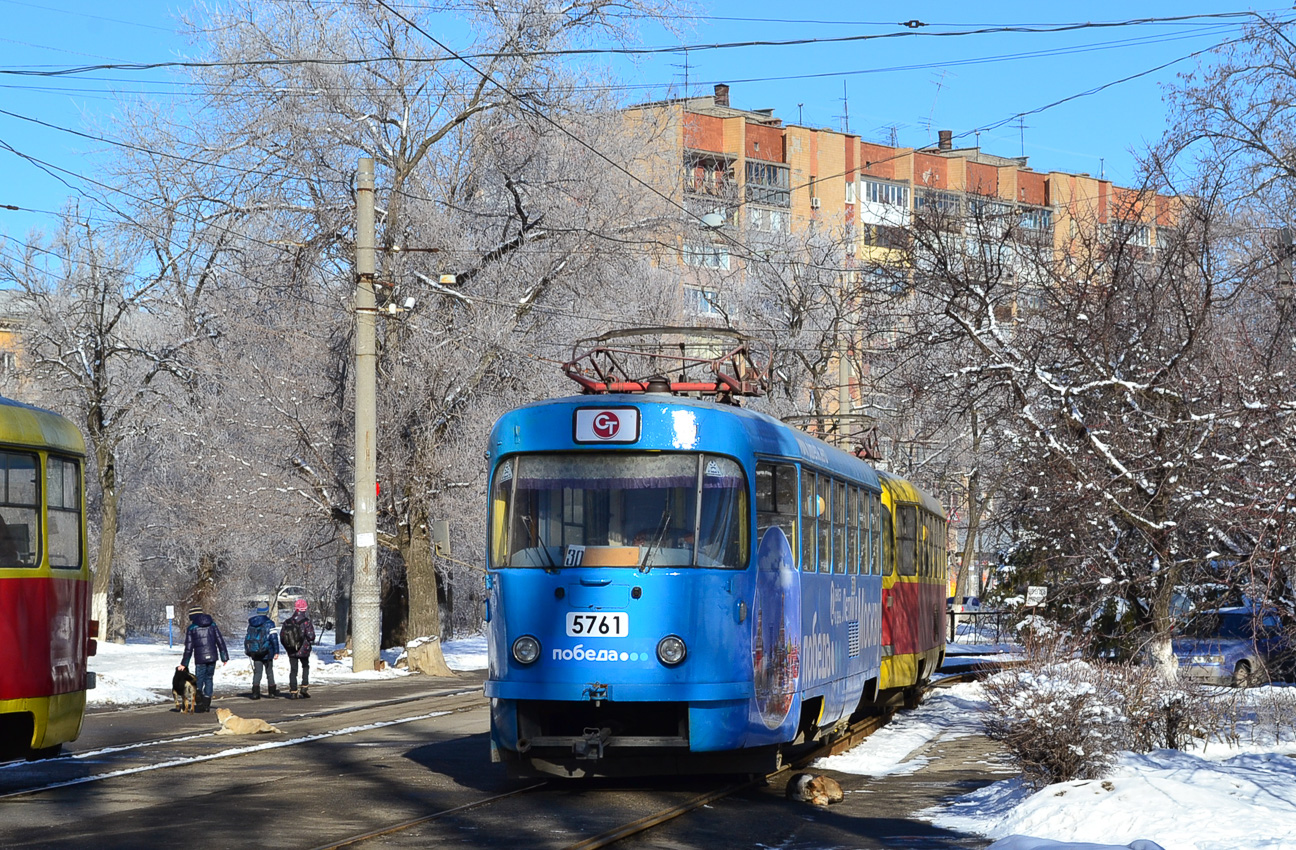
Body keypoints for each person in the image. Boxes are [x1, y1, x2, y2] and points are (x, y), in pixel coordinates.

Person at [178, 605, 229, 713]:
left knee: (199, 680)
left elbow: (188, 648)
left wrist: (184, 664)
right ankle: (207, 704)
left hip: (200, 658)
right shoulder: (213, 625)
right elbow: (220, 641)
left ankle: (200, 703)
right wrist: (224, 657)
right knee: (209, 678)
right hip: (212, 657)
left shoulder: (192, 628)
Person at [281, 598, 316, 699]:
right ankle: (304, 687)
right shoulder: (306, 622)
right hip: (303, 650)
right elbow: (311, 636)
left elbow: (282, 637)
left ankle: (293, 691)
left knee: (293, 670)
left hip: (291, 650)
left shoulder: (287, 622)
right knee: (305, 666)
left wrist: (288, 647)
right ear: (304, 609)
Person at [244, 604, 280, 700]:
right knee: (269, 672)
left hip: (255, 651)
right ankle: (272, 692)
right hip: (267, 652)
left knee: (257, 672)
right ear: (266, 611)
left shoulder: (252, 623)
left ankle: (255, 693)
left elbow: (248, 637)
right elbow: (274, 638)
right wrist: (276, 651)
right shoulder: (270, 623)